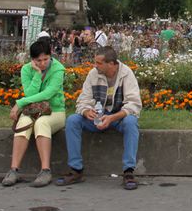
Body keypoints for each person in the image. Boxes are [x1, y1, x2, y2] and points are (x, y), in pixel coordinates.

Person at [56, 46, 141, 189]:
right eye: (95, 62)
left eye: (99, 63)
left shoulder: (126, 74)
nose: (96, 66)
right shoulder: (93, 74)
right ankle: (76, 170)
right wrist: (85, 112)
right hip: (97, 117)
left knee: (131, 122)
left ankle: (128, 172)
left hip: (117, 118)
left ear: (112, 64)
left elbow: (134, 105)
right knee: (72, 121)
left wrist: (112, 118)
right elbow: (83, 100)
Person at [2, 38, 65, 187]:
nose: (43, 63)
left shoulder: (58, 69)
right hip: (34, 111)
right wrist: (37, 74)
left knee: (42, 123)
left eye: (46, 59)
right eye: (38, 60)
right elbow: (30, 94)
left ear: (51, 56)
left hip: (55, 111)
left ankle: (45, 170)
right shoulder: (26, 70)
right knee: (23, 122)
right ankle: (14, 169)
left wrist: (20, 103)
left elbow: (49, 93)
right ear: (32, 60)